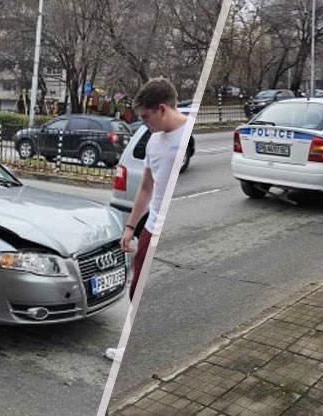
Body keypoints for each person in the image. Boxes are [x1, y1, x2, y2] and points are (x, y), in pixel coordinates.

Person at [104, 78, 188, 361]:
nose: (143, 123)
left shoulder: (186, 133)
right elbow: (146, 188)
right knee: (136, 289)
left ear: (162, 109)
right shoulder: (153, 140)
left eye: (145, 117)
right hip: (151, 227)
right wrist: (130, 227)